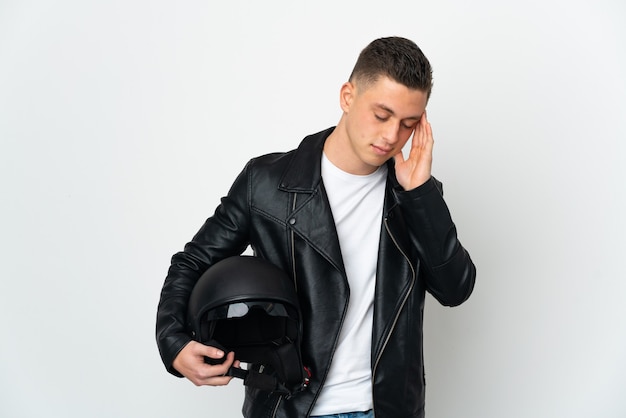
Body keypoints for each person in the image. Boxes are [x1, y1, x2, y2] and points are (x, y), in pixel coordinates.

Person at [156, 36, 476, 418]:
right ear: (347, 96)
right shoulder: (267, 183)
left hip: (387, 410)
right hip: (291, 406)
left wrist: (420, 196)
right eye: (381, 115)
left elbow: (455, 289)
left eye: (408, 124)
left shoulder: (415, 196)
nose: (392, 136)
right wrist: (173, 342)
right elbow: (193, 261)